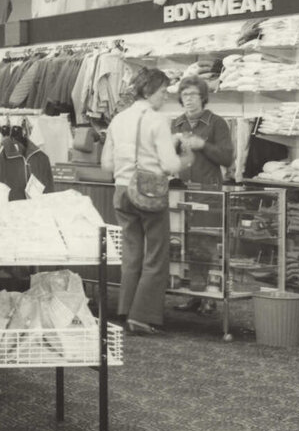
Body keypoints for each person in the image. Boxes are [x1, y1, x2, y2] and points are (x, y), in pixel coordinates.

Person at [101, 67, 184, 336]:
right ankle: (142, 316)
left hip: (121, 190)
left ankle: (126, 309)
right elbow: (170, 163)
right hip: (148, 190)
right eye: (163, 91)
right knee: (156, 255)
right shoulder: (158, 120)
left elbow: (106, 165)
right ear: (148, 91)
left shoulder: (117, 120)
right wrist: (181, 156)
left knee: (132, 252)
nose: (165, 97)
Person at [171, 75, 237, 310]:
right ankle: (194, 293)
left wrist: (203, 146)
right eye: (185, 94)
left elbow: (228, 157)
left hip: (208, 193)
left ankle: (210, 298)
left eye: (193, 95)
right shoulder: (176, 124)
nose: (188, 99)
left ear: (203, 97)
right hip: (180, 193)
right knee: (184, 243)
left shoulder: (216, 123)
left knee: (206, 244)